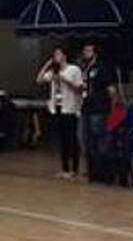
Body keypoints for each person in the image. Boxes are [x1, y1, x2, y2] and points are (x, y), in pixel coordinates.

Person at [36, 47, 84, 179]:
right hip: (58, 107)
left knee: (71, 139)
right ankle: (64, 168)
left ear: (64, 56)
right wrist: (47, 65)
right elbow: (39, 80)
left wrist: (64, 79)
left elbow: (79, 88)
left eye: (58, 54)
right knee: (62, 140)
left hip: (70, 108)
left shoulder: (73, 69)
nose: (56, 56)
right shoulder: (54, 71)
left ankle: (74, 169)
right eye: (54, 54)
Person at [80, 43, 119, 182]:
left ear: (95, 53)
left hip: (99, 108)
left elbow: (112, 90)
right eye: (84, 50)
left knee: (101, 140)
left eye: (88, 50)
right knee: (88, 141)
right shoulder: (85, 69)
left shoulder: (102, 68)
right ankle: (93, 172)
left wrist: (113, 109)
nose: (85, 53)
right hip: (87, 108)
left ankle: (105, 173)